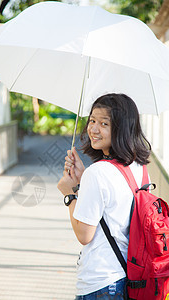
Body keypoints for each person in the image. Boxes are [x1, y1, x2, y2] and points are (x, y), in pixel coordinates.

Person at [57, 93, 151, 300]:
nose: (93, 129)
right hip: (131, 276)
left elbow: (84, 234)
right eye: (92, 120)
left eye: (104, 123)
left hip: (100, 282)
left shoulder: (98, 173)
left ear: (121, 129)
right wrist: (82, 183)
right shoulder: (140, 168)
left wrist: (70, 194)